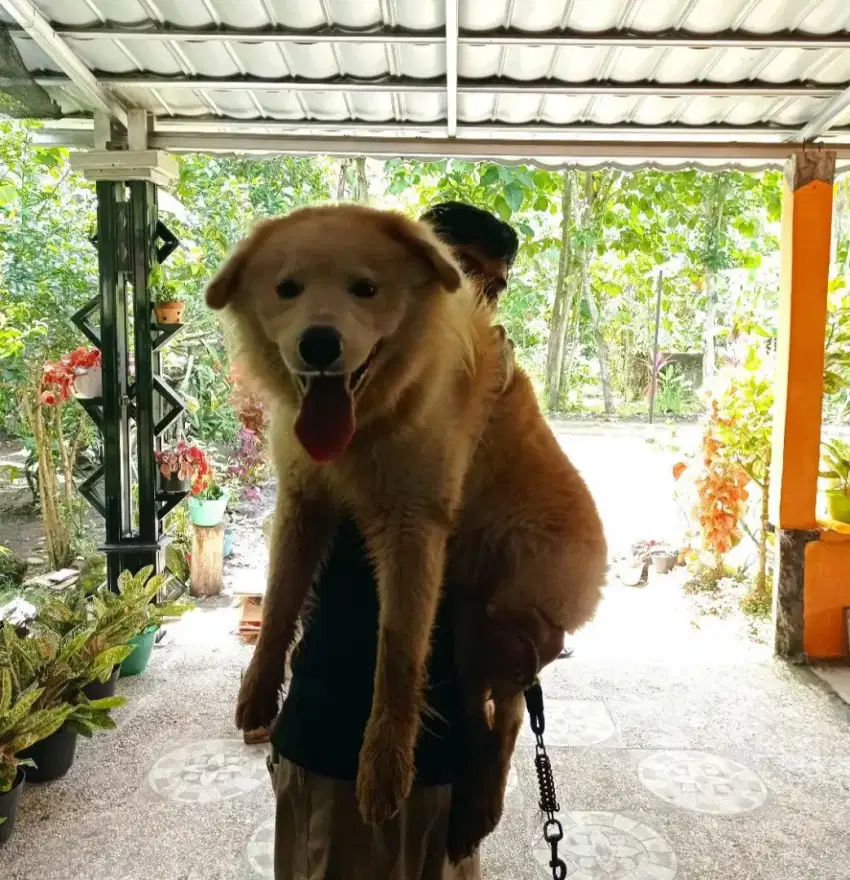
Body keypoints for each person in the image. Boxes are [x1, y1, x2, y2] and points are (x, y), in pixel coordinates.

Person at [267, 203, 545, 880]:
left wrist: (533, 630)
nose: (475, 298)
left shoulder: (499, 386)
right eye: (461, 272)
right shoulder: (344, 381)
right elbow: (300, 521)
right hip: (339, 714)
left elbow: (541, 527)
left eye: (493, 286)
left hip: (451, 733)